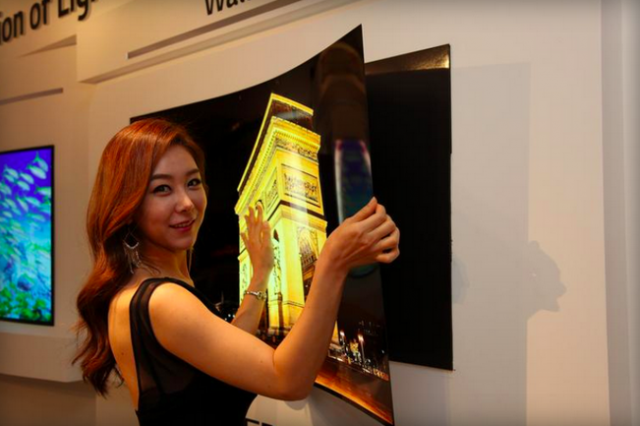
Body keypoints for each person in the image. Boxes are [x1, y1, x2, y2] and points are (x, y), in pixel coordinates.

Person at [73, 118, 400, 425]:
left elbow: (221, 350)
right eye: (162, 189)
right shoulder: (162, 301)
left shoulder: (139, 289)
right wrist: (332, 262)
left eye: (192, 182)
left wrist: (261, 272)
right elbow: (289, 381)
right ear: (128, 205)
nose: (186, 203)